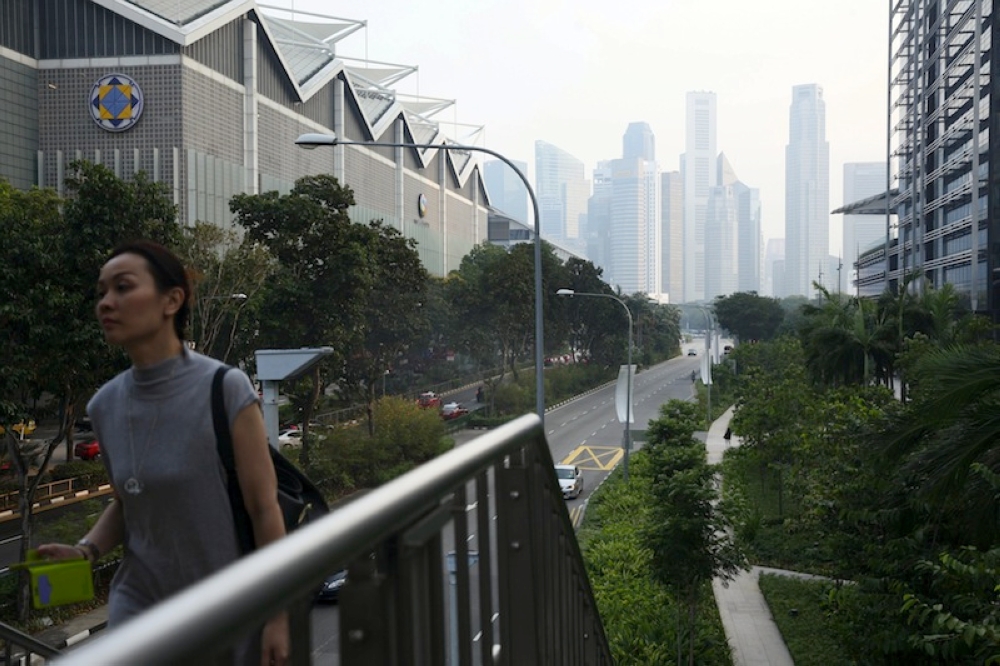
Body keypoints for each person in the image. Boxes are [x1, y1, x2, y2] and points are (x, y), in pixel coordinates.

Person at [38, 240, 288, 666]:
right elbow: (127, 502)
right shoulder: (104, 405)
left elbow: (264, 508)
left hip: (225, 607)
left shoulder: (225, 388)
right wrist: (86, 551)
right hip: (138, 608)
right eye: (101, 292)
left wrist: (278, 615)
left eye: (122, 287)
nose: (106, 303)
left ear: (172, 300)